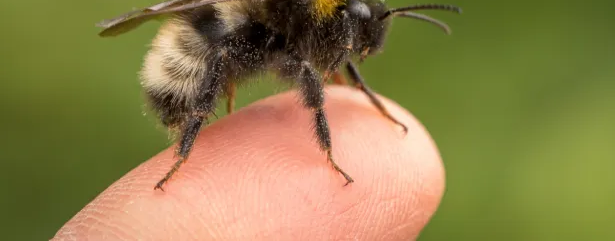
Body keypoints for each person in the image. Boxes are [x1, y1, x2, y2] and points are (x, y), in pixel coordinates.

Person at [54, 86, 445, 240]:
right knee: (226, 50)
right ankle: (184, 156)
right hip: (192, 62)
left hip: (201, 47)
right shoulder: (305, 8)